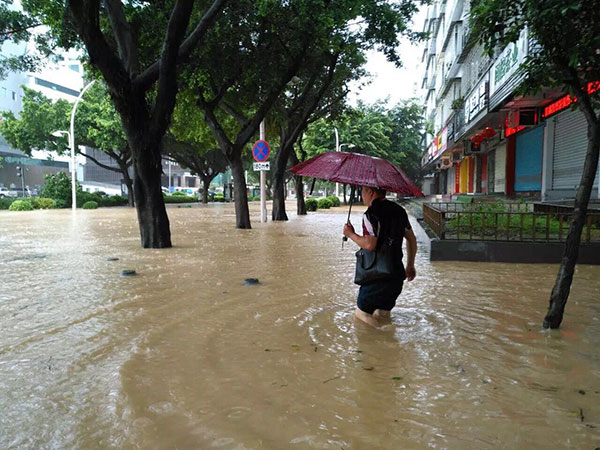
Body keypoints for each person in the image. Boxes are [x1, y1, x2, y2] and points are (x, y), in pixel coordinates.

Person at [342, 186, 417, 328]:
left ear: (370, 191)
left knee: (362, 314)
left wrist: (350, 234)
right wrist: (410, 265)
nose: (362, 194)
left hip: (377, 277)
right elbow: (411, 239)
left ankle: (381, 340)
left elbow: (370, 244)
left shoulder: (370, 214)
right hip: (396, 275)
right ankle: (389, 340)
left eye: (363, 191)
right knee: (382, 314)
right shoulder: (399, 211)